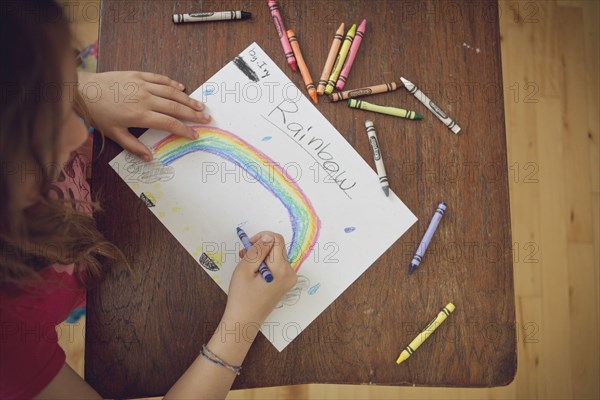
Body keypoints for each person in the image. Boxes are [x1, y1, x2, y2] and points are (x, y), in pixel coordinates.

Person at [0, 1, 297, 399]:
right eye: (46, 135)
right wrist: (242, 321)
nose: (77, 133)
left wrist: (85, 91)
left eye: (62, 84)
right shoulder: (10, 344)